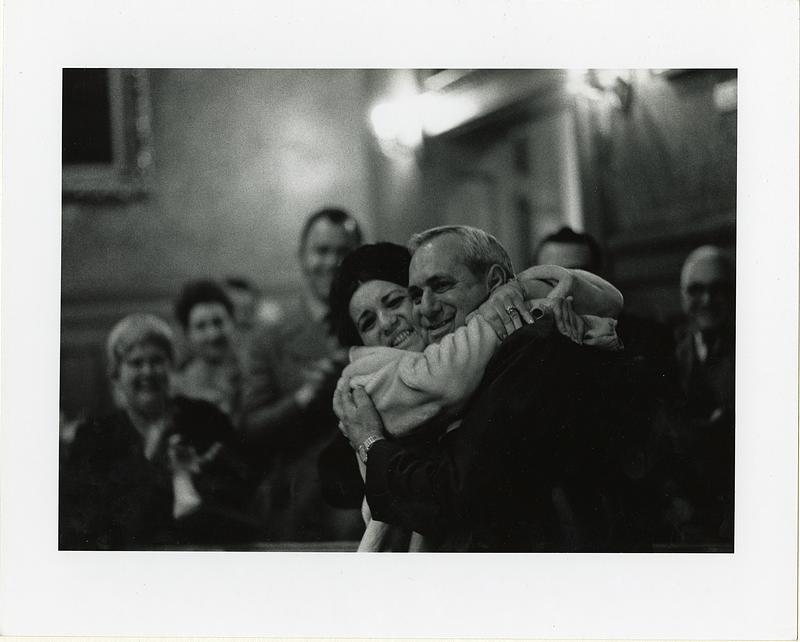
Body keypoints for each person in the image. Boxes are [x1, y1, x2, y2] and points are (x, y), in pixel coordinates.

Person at [337, 226, 652, 552]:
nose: (426, 308)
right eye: (416, 295)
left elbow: (454, 492)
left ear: (496, 282)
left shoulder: (534, 345)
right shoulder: (486, 358)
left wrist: (369, 443)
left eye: (442, 286)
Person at [59, 314, 257, 550]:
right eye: (135, 363)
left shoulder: (207, 420)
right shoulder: (94, 435)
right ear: (115, 374)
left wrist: (193, 478)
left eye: (157, 361)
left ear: (171, 366)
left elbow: (241, 499)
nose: (148, 372)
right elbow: (83, 522)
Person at [241, 207, 364, 541]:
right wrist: (304, 397)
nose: (332, 262)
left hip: (369, 497)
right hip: (296, 499)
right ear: (302, 257)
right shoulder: (270, 337)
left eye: (344, 252)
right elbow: (251, 429)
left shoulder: (378, 324)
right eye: (322, 251)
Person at [668, 245, 735, 546]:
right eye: (696, 290)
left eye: (718, 290)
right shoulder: (666, 349)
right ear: (682, 296)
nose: (707, 300)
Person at [173, 279, 243, 424]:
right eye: (201, 326)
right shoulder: (179, 388)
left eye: (218, 322)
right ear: (187, 334)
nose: (213, 334)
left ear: (233, 323)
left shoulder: (252, 376)